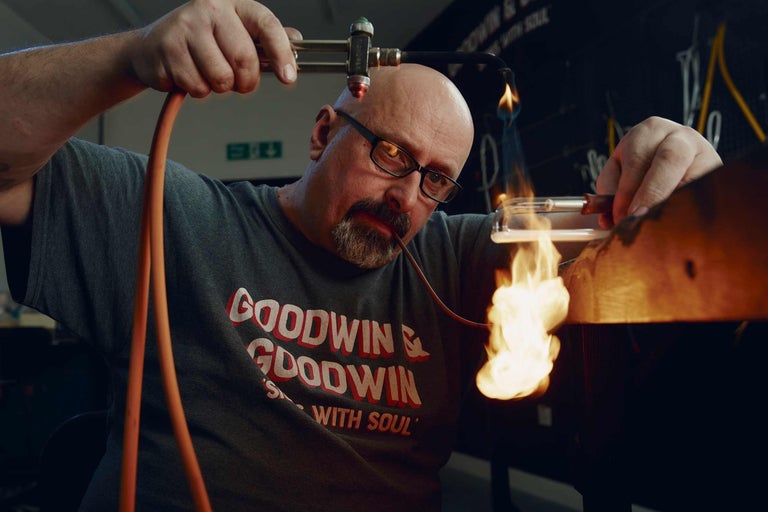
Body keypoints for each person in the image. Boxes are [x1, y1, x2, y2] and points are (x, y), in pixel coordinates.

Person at [0, 1, 722, 511]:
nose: (405, 197)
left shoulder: (459, 259)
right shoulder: (176, 215)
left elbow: (637, 273)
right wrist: (128, 56)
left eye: (435, 178)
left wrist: (686, 181)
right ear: (322, 133)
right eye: (389, 154)